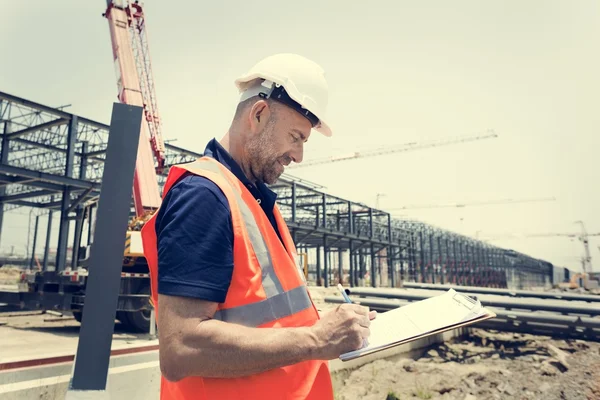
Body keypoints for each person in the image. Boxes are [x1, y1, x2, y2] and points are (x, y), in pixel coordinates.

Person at [141, 53, 376, 400]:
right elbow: (180, 348)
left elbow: (264, 314)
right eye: (295, 137)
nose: (298, 156)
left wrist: (326, 324)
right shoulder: (204, 196)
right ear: (259, 114)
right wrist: (316, 338)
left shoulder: (253, 200)